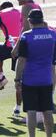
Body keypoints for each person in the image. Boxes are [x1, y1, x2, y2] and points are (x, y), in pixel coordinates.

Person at [15, 9, 55, 137]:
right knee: (47, 111)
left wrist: (17, 79)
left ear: (30, 21)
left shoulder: (26, 36)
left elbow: (21, 60)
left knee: (31, 112)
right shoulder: (53, 35)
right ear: (42, 20)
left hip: (30, 80)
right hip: (47, 79)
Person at [11, 0, 43, 120]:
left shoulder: (26, 7)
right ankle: (39, 113)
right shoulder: (37, 6)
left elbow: (24, 29)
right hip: (39, 46)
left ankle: (33, 114)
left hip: (29, 46)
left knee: (26, 80)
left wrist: (16, 47)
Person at [0, 2, 21, 100]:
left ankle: (1, 77)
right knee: (22, 78)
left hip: (10, 47)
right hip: (23, 46)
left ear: (1, 9)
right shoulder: (21, 12)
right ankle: (18, 107)